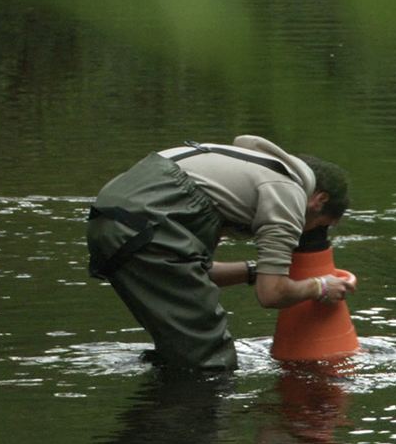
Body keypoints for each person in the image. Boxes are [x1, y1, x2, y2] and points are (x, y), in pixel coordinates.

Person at [86, 135, 355, 371]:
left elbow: (197, 271)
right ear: (319, 200)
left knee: (181, 351)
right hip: (149, 226)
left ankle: (164, 419)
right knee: (211, 362)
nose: (307, 236)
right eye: (320, 227)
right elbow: (271, 294)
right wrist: (320, 286)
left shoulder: (237, 170)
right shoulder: (288, 193)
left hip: (110, 220)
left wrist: (254, 271)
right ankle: (186, 425)